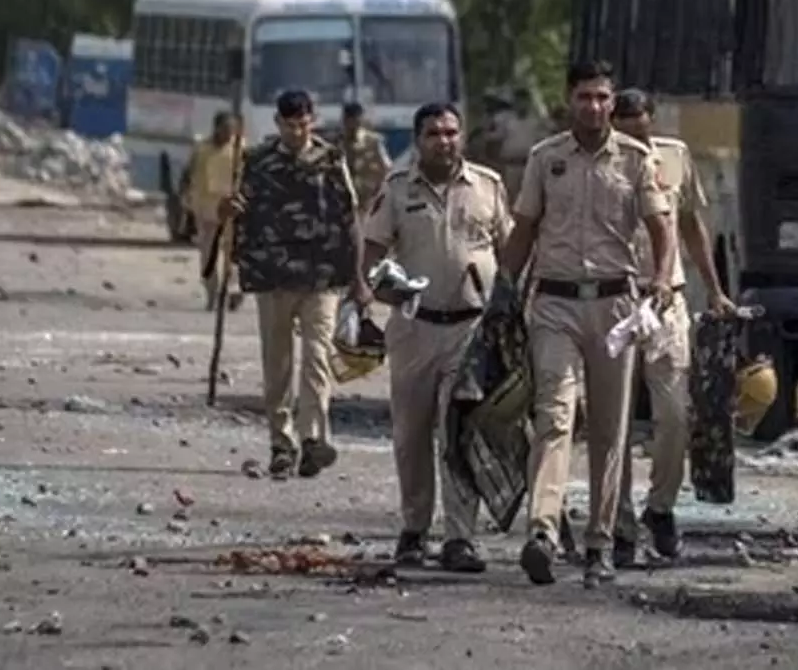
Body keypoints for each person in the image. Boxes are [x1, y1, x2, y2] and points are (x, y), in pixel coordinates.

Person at [499, 60, 675, 588]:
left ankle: (600, 542)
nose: (593, 106)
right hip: (553, 305)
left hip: (616, 308)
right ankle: (543, 532)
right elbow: (525, 229)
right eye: (584, 97)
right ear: (568, 101)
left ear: (612, 101)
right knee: (554, 418)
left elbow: (661, 228)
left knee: (609, 430)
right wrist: (502, 291)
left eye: (602, 97)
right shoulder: (544, 159)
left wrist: (662, 279)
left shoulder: (636, 160)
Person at [361, 102, 512, 573]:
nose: (443, 141)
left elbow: (509, 251)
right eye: (433, 134)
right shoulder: (397, 188)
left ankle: (460, 537)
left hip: (470, 329)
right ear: (418, 139)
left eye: (451, 132)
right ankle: (414, 530)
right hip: (414, 327)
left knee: (460, 434)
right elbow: (371, 257)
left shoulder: (487, 186)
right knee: (411, 436)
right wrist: (385, 288)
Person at [610, 89, 736, 566]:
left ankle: (659, 508)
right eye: (622, 121)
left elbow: (690, 225)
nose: (630, 128)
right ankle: (618, 522)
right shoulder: (599, 162)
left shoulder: (674, 157)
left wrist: (716, 290)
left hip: (667, 302)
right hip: (616, 298)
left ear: (650, 119)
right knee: (614, 423)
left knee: (674, 415)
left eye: (638, 120)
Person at [220, 90, 374, 480]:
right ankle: (281, 443)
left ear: (313, 121)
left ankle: (313, 441)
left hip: (320, 276)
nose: (297, 131)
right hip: (272, 277)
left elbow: (349, 218)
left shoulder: (330, 160)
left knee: (317, 359)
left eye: (303, 124)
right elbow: (240, 212)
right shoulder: (257, 161)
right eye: (290, 125)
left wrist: (358, 279)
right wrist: (230, 212)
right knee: (278, 365)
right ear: (278, 123)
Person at [185, 111, 243, 311]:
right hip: (206, 209)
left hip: (232, 210)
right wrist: (185, 200)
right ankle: (212, 294)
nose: (229, 134)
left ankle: (234, 289)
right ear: (216, 128)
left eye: (232, 129)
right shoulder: (202, 149)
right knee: (208, 256)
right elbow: (188, 173)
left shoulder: (239, 149)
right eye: (225, 129)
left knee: (233, 254)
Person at [339, 101, 392, 211]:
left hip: (369, 198)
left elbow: (386, 167)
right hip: (344, 200)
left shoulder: (373, 142)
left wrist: (381, 190)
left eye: (355, 120)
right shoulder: (337, 142)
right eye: (348, 120)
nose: (351, 124)